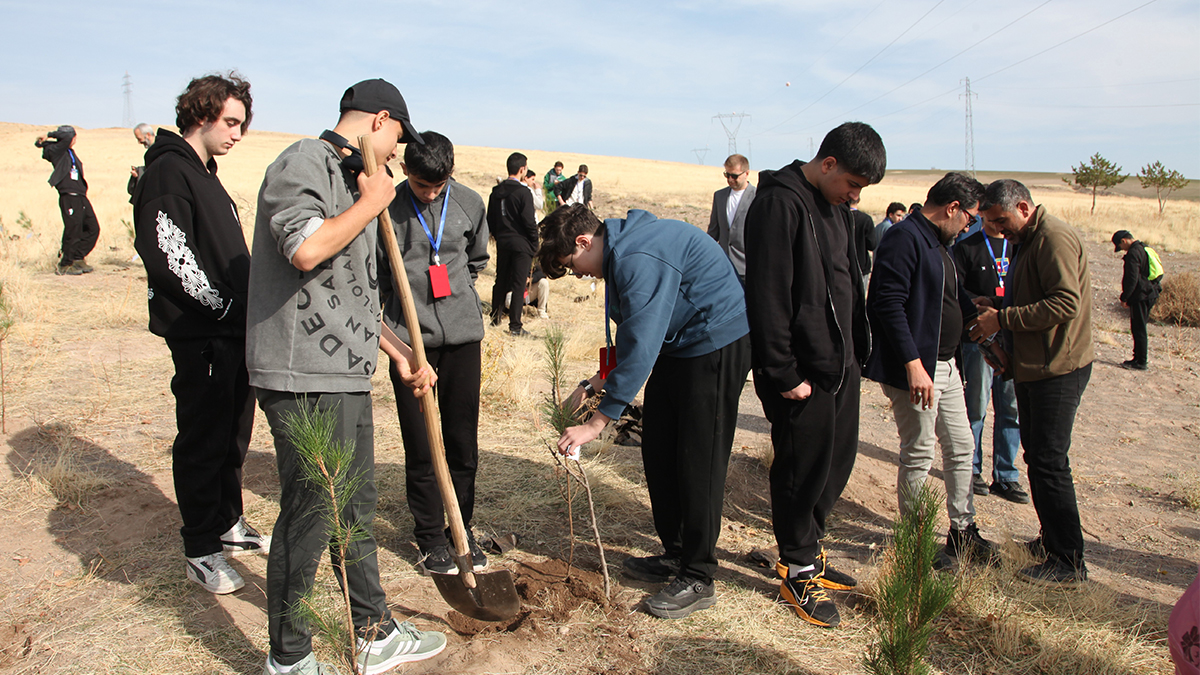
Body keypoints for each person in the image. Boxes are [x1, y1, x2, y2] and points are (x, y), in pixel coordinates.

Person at [246, 78, 446, 674]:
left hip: (345, 373)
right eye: (396, 140)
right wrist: (370, 204)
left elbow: (353, 299)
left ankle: (373, 630)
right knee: (310, 513)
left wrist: (403, 351)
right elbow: (304, 250)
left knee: (354, 507)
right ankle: (288, 658)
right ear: (380, 119)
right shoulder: (304, 160)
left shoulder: (357, 177)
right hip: (302, 371)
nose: (395, 155)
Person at [543, 204, 751, 620]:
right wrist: (593, 384)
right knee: (659, 451)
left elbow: (643, 343)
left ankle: (698, 575)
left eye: (572, 265)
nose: (580, 276)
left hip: (714, 344)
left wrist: (596, 424)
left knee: (697, 461)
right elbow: (642, 328)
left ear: (584, 242)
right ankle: (676, 555)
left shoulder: (638, 255)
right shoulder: (624, 248)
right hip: (680, 346)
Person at [131, 73, 269, 596]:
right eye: (231, 122)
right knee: (202, 437)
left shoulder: (205, 174)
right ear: (202, 113)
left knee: (234, 430)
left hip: (233, 330)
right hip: (202, 332)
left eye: (242, 124)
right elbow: (171, 255)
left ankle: (227, 522)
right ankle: (200, 548)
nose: (237, 133)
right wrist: (225, 306)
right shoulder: (168, 171)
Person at [743, 122, 882, 628]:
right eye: (853, 184)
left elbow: (848, 281)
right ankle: (796, 569)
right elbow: (768, 293)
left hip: (839, 365)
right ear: (827, 165)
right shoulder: (779, 203)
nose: (855, 195)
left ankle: (809, 549)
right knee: (801, 471)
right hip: (800, 371)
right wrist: (781, 370)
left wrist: (858, 352)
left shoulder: (836, 208)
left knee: (833, 464)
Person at [864, 172, 996, 571]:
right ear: (952, 208)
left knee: (960, 445)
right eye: (970, 217)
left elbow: (949, 298)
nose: (970, 226)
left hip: (947, 365)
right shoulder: (904, 238)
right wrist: (913, 365)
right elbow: (887, 303)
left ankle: (962, 531)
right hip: (918, 369)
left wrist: (984, 329)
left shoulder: (940, 243)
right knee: (919, 451)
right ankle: (916, 541)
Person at [970, 179, 1093, 587]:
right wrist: (999, 306)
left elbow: (1064, 302)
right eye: (991, 223)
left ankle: (1068, 560)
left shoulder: (1053, 238)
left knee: (1049, 461)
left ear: (1023, 207)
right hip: (1035, 365)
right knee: (1038, 458)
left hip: (1059, 367)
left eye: (1002, 221)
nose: (1000, 231)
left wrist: (1002, 319)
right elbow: (1033, 295)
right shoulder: (1028, 238)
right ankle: (1052, 539)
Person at [380, 131, 491, 576]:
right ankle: (429, 538)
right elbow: (374, 275)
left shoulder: (468, 202)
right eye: (422, 185)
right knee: (423, 445)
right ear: (405, 170)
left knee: (462, 441)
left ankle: (459, 528)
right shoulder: (385, 210)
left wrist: (456, 294)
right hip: (412, 344)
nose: (429, 193)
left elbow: (478, 258)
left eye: (438, 186)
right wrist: (399, 333)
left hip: (463, 340)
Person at [953, 210, 1029, 504]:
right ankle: (971, 470)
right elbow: (958, 292)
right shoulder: (967, 248)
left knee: (1010, 409)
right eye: (990, 215)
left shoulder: (1019, 247)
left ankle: (1006, 476)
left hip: (1011, 337)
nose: (999, 224)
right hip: (978, 339)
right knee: (976, 406)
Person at [35, 125, 99, 275]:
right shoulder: (56, 150)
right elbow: (64, 139)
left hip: (81, 196)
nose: (74, 139)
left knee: (93, 228)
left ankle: (78, 258)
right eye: (73, 137)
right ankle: (65, 264)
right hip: (69, 195)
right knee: (73, 229)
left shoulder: (69, 151)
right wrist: (51, 134)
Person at [488, 152, 538, 336]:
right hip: (521, 244)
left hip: (503, 242)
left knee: (500, 280)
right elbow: (529, 222)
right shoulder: (523, 192)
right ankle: (515, 326)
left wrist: (498, 235)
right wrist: (535, 242)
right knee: (518, 285)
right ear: (522, 169)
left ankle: (495, 318)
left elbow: (490, 219)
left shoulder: (496, 192)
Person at [1112, 229, 1162, 371]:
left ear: (1124, 241)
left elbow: (1131, 279)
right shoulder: (1145, 248)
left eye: (1120, 247)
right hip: (1150, 292)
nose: (1121, 250)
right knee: (1140, 327)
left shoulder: (1133, 253)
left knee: (1138, 328)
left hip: (1141, 296)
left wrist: (1125, 297)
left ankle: (1141, 362)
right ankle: (1138, 358)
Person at [706, 153, 757, 284]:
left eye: (734, 176)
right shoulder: (719, 196)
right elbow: (713, 232)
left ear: (746, 174)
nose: (730, 179)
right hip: (723, 267)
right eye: (727, 175)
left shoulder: (758, 197)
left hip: (749, 268)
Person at [849, 197, 876, 290]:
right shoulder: (865, 219)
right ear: (858, 200)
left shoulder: (837, 216)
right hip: (861, 265)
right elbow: (872, 244)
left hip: (842, 264)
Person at [128, 122, 156, 196]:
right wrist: (138, 174)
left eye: (139, 139)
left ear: (148, 135)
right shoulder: (152, 150)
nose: (139, 142)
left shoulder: (160, 150)